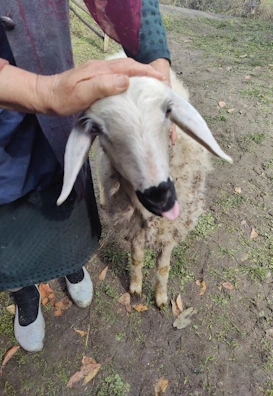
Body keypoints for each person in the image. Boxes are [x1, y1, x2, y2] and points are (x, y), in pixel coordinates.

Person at [0, 0, 172, 353]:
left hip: (59, 89)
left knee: (64, 187)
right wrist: (37, 92)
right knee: (8, 226)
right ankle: (25, 294)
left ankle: (71, 264)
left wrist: (155, 55)